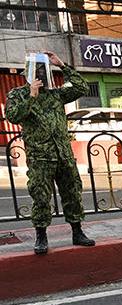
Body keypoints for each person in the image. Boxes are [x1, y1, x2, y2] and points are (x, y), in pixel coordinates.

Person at [6, 51, 95, 255]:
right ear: (27, 74)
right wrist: (31, 95)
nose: (39, 75)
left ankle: (77, 231)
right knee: (41, 197)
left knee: (72, 193)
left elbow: (82, 87)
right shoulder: (17, 94)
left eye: (42, 71)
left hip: (63, 153)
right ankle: (41, 236)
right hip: (40, 156)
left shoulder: (56, 94)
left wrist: (62, 65)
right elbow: (13, 116)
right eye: (35, 72)